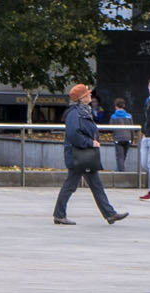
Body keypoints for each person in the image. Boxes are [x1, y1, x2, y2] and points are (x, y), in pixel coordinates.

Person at [54, 84, 129, 226]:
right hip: (79, 155)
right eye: (87, 94)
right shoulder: (75, 113)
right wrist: (90, 142)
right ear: (81, 98)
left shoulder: (82, 111)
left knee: (93, 185)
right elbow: (73, 134)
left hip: (83, 156)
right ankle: (59, 214)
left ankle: (109, 214)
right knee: (73, 186)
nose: (90, 96)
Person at [108, 97, 134, 171]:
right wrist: (132, 139)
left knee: (119, 157)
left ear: (116, 106)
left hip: (118, 138)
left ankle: (121, 172)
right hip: (127, 138)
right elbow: (132, 128)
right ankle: (119, 170)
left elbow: (110, 128)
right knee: (124, 156)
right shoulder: (129, 116)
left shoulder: (113, 116)